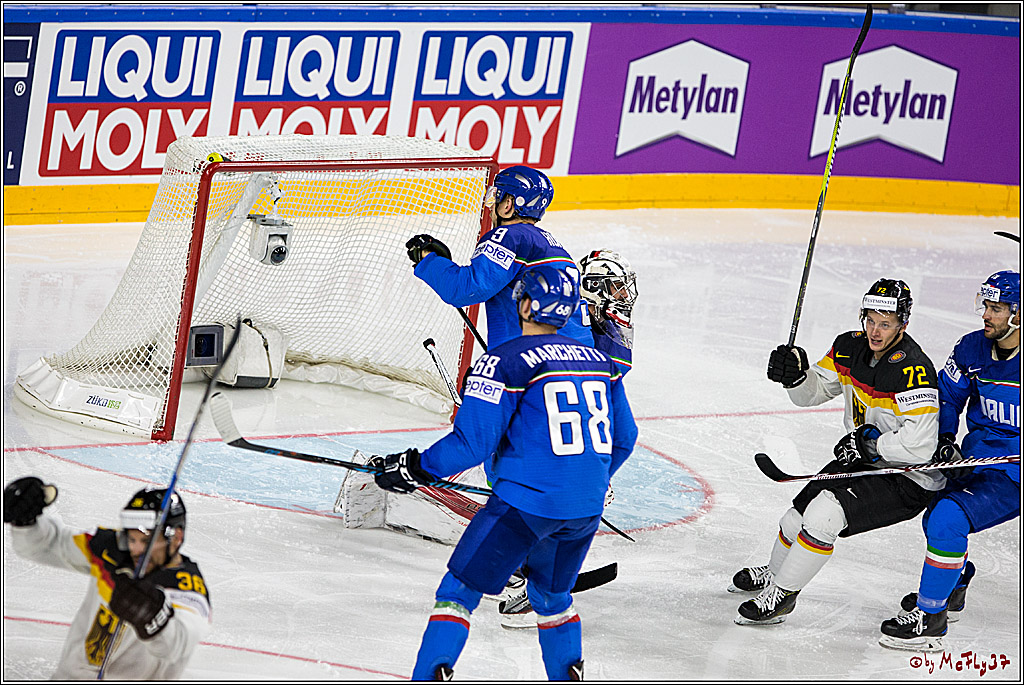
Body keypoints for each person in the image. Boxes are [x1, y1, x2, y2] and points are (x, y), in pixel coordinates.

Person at [371, 264, 638, 680]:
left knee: (458, 592)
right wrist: (587, 482)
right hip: (585, 509)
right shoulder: (602, 363)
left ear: (525, 305)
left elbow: (471, 445)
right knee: (551, 598)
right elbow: (625, 438)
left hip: (523, 506)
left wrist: (414, 468)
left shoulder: (504, 361)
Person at [731, 278, 943, 625]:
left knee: (823, 515)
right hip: (863, 460)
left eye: (885, 324)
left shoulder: (913, 369)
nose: (875, 331)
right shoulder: (848, 347)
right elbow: (812, 394)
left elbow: (919, 447)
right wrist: (796, 378)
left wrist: (871, 444)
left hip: (907, 477)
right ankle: (776, 572)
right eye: (870, 320)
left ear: (903, 324)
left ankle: (783, 594)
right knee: (796, 516)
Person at [879, 270, 1020, 651]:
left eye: (996, 308)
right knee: (935, 516)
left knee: (947, 519)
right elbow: (948, 397)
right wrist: (944, 438)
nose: (986, 315)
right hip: (977, 459)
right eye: (985, 306)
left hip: (1015, 472)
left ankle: (930, 619)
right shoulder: (971, 348)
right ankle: (953, 585)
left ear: (1019, 314)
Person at [3, 480, 212, 679]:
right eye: (132, 538)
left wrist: (153, 616)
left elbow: (178, 646)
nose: (136, 549)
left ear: (176, 538)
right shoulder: (111, 550)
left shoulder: (187, 587)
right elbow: (49, 545)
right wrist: (27, 522)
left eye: (146, 540)